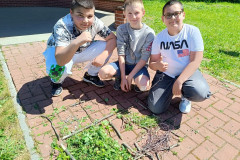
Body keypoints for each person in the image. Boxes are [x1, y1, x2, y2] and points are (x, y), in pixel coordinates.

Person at [148, 0, 211, 114]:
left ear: (183, 14)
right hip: (166, 74)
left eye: (176, 13)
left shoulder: (192, 32)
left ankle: (185, 96)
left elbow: (195, 61)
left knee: (201, 93)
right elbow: (151, 63)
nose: (172, 18)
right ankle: (169, 90)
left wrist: (179, 81)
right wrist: (157, 65)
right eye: (168, 15)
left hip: (187, 73)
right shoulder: (159, 38)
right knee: (155, 108)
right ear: (163, 19)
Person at [43, 0, 116, 96]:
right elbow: (60, 60)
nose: (85, 21)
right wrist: (77, 41)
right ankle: (56, 82)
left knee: (105, 47)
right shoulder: (62, 26)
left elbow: (113, 39)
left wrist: (104, 55)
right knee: (58, 70)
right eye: (80, 15)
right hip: (60, 53)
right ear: (71, 13)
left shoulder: (96, 22)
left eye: (89, 16)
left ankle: (91, 75)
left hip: (82, 50)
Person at [99, 0, 155, 93]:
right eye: (129, 13)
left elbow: (144, 59)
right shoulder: (121, 29)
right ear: (124, 14)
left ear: (143, 13)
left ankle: (136, 79)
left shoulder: (149, 33)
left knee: (143, 86)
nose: (133, 17)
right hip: (124, 63)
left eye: (137, 13)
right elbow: (121, 54)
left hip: (139, 66)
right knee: (103, 73)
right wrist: (123, 77)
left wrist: (129, 77)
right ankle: (119, 77)